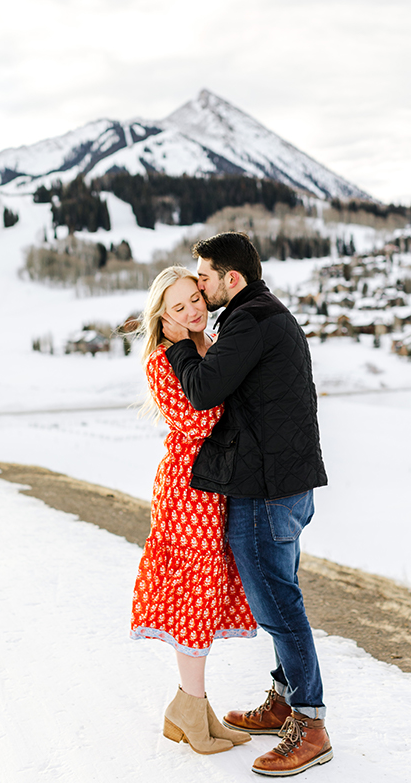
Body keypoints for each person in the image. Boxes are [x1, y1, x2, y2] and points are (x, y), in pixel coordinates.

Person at [161, 233, 332, 777]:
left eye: (204, 278)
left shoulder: (248, 319)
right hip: (282, 483)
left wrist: (179, 345)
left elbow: (206, 389)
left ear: (230, 279)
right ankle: (285, 701)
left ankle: (310, 724)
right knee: (282, 597)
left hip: (265, 491)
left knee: (279, 607)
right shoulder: (260, 313)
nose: (201, 288)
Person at [130, 265, 257, 756]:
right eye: (178, 307)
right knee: (194, 595)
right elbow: (194, 421)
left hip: (216, 485)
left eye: (194, 299)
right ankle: (189, 704)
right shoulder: (163, 360)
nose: (192, 311)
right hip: (188, 489)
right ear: (163, 319)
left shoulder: (215, 343)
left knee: (206, 593)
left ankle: (196, 707)